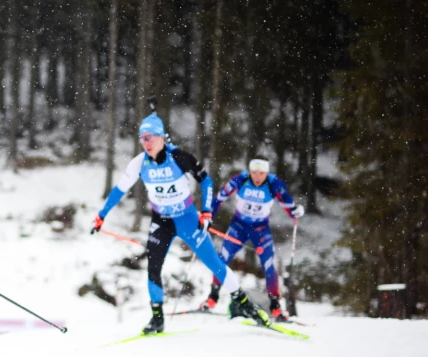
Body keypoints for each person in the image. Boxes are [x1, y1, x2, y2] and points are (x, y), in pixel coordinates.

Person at [91, 112, 271, 334]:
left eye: (150, 137)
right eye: (142, 138)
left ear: (161, 138)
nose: (146, 142)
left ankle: (247, 307)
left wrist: (206, 212)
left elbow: (205, 180)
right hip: (161, 220)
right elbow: (119, 189)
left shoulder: (179, 157)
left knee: (214, 263)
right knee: (153, 268)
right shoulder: (139, 163)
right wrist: (101, 215)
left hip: (187, 218)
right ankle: (157, 318)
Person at [201, 157, 304, 320]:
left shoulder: (273, 184)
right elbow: (220, 197)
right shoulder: (240, 180)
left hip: (260, 229)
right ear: (249, 171)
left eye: (261, 173)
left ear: (267, 172)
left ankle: (275, 307)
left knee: (269, 266)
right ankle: (212, 297)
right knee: (222, 259)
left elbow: (289, 206)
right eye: (254, 172)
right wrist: (207, 216)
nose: (257, 177)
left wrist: (296, 211)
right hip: (238, 227)